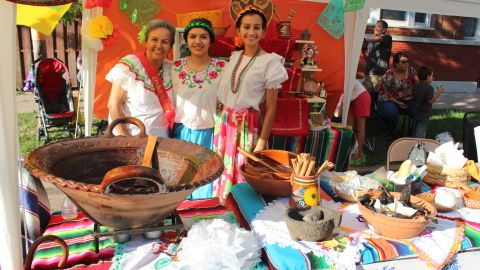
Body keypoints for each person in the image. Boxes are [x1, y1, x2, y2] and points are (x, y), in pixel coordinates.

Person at [214, 5, 288, 201]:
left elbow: (272, 108)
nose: (251, 32)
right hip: (225, 124)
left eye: (257, 27)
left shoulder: (271, 63)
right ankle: (223, 209)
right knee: (223, 170)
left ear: (264, 31)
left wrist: (261, 143)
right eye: (246, 27)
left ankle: (243, 215)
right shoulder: (235, 56)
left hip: (248, 125)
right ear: (238, 30)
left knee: (244, 172)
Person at [171, 18, 227, 199]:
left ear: (211, 41)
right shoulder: (175, 67)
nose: (198, 41)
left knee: (206, 183)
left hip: (210, 135)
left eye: (203, 37)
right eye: (193, 36)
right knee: (181, 183)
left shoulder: (222, 68)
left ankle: (203, 220)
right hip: (181, 135)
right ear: (186, 40)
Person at [106, 19, 176, 137]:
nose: (159, 45)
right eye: (154, 40)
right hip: (131, 139)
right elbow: (113, 105)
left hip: (161, 142)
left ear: (170, 47)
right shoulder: (130, 66)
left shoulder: (172, 69)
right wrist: (125, 138)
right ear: (145, 42)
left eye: (165, 42)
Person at [377, 52, 417, 137]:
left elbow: (418, 83)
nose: (406, 64)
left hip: (407, 99)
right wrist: (398, 103)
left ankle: (413, 132)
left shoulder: (411, 71)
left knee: (419, 111)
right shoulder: (389, 74)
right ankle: (390, 130)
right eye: (403, 62)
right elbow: (383, 92)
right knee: (392, 113)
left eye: (407, 61)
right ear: (396, 63)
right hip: (388, 99)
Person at [361, 20, 392, 109]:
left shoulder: (387, 38)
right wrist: (367, 58)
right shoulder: (369, 39)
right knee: (367, 98)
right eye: (375, 26)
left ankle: (378, 118)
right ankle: (368, 118)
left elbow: (378, 39)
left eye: (378, 26)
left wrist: (364, 38)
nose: (375, 28)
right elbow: (363, 50)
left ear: (384, 29)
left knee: (379, 99)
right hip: (369, 73)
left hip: (380, 74)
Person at [412, 66, 445, 138]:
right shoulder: (429, 88)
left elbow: (413, 96)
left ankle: (413, 140)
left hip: (416, 111)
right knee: (421, 129)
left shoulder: (416, 85)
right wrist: (440, 91)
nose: (432, 77)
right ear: (427, 76)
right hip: (424, 113)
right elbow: (430, 100)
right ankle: (419, 143)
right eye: (432, 76)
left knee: (415, 127)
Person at [348, 80, 371, 166]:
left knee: (359, 127)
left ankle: (359, 153)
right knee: (349, 127)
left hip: (361, 96)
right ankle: (351, 152)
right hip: (350, 99)